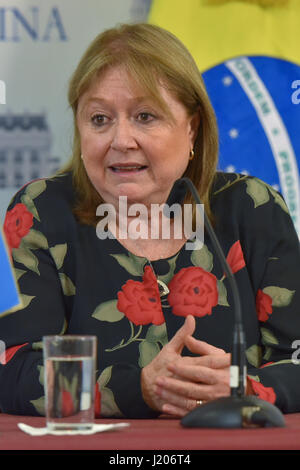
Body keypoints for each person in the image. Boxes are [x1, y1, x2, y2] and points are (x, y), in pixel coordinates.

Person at [1, 22, 300, 419]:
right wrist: (139, 388)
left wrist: (244, 387)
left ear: (192, 128)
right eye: (99, 119)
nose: (121, 140)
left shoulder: (252, 207)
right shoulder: (37, 212)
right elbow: (12, 368)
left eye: (144, 116)